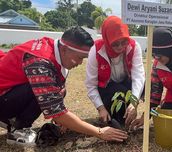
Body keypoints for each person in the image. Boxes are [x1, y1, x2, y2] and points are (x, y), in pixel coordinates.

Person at [0, 26, 128, 146]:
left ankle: (12, 121)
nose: (79, 63)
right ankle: (17, 129)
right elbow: (56, 113)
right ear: (65, 49)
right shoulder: (40, 63)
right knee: (42, 90)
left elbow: (56, 98)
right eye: (79, 57)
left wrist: (65, 117)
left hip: (9, 92)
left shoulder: (53, 49)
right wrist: (99, 132)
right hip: (4, 95)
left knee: (59, 90)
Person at [85, 16, 145, 128]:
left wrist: (134, 103)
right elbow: (91, 84)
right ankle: (118, 118)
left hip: (127, 83)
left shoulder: (134, 46)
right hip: (107, 88)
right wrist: (101, 109)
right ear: (107, 40)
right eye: (115, 44)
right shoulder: (96, 50)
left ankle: (143, 116)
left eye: (124, 42)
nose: (121, 47)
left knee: (148, 85)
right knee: (118, 96)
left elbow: (138, 76)